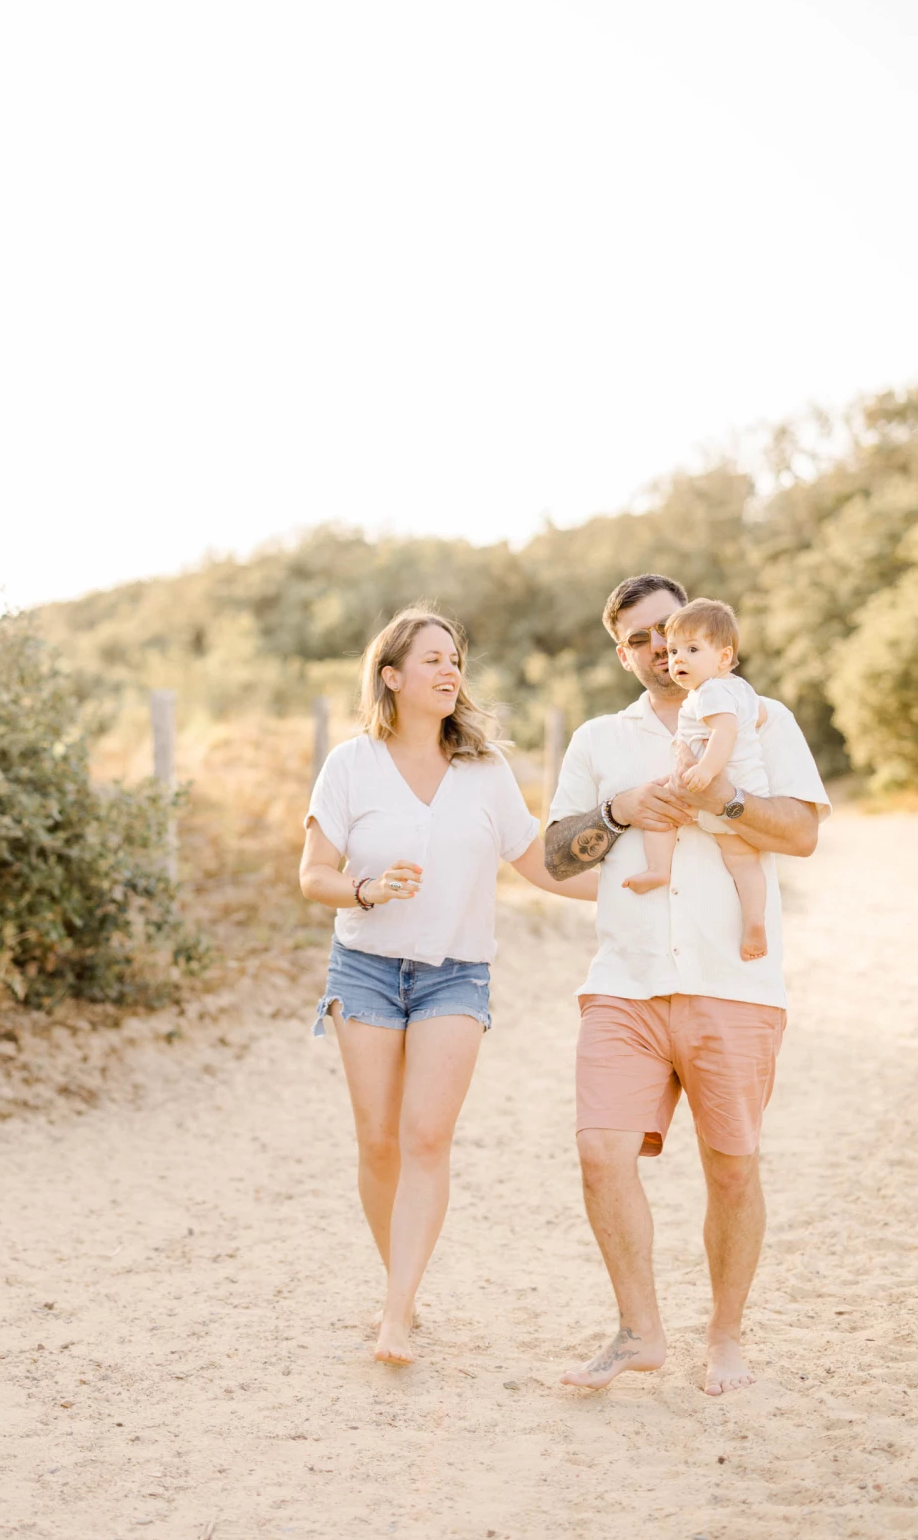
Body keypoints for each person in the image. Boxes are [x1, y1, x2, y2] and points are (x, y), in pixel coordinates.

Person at [544, 573, 830, 1396]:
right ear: (624, 652)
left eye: (670, 630)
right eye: (638, 639)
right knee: (601, 1154)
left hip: (732, 983)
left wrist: (727, 797)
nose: (659, 648)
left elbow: (804, 833)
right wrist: (622, 810)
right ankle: (639, 1332)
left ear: (702, 634)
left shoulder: (763, 718)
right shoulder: (600, 739)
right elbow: (557, 852)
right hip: (624, 981)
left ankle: (727, 1337)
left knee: (732, 1168)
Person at [300, 607, 597, 1367]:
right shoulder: (350, 764)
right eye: (431, 658)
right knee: (378, 1142)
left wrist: (627, 889)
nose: (449, 670)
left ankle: (396, 1314)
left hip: (456, 974)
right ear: (390, 675)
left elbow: (538, 861)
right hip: (364, 969)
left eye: (455, 658)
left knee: (426, 1135)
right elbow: (313, 877)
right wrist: (366, 890)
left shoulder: (485, 770)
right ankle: (399, 1283)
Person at [621, 598, 770, 962]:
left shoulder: (710, 692)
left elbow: (724, 733)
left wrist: (705, 771)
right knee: (744, 862)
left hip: (709, 784)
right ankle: (754, 921)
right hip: (748, 790)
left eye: (691, 649)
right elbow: (759, 716)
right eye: (673, 651)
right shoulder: (740, 689)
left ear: (723, 658)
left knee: (660, 808)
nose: (678, 659)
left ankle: (658, 868)